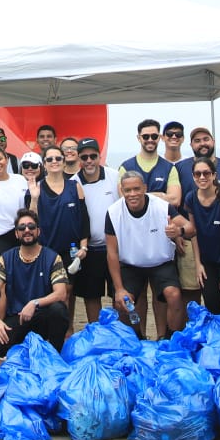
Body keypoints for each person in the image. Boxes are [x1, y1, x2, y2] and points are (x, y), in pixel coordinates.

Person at [105, 172, 185, 340]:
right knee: (122, 301)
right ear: (122, 190)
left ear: (145, 189)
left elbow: (191, 227)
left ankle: (171, 339)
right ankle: (136, 338)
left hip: (160, 262)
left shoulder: (162, 206)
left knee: (174, 295)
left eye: (136, 189)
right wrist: (119, 289)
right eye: (128, 190)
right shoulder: (113, 212)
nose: (132, 194)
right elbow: (112, 253)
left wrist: (179, 231)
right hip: (131, 264)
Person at [0, 208, 70, 355]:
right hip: (18, 318)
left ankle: (54, 353)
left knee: (59, 310)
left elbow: (61, 293)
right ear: (16, 233)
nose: (27, 230)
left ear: (38, 231)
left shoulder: (52, 257)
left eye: (31, 227)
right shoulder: (6, 258)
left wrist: (34, 303)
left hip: (43, 317)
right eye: (22, 227)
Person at [179, 157, 220, 315]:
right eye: (197, 174)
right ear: (193, 176)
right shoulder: (190, 198)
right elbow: (193, 234)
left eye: (206, 173)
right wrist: (198, 264)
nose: (202, 177)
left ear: (214, 175)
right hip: (207, 258)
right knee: (211, 300)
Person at [24, 143, 89, 280]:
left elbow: (83, 220)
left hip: (71, 250)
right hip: (44, 250)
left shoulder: (75, 186)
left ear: (64, 162)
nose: (54, 161)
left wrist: (83, 247)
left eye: (58, 158)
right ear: (44, 165)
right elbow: (29, 222)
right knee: (48, 290)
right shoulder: (35, 188)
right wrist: (34, 199)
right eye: (49, 159)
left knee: (68, 292)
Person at [74, 138, 120, 322]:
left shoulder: (114, 175)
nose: (89, 161)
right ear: (79, 159)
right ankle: (96, 330)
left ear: (99, 156)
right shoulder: (73, 182)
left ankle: (121, 330)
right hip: (89, 249)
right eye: (84, 157)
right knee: (91, 295)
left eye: (93, 156)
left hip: (115, 248)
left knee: (118, 293)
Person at [118, 119, 182, 206]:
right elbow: (124, 200)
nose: (150, 140)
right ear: (139, 138)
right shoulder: (125, 168)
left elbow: (175, 200)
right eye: (145, 136)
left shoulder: (169, 168)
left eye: (154, 136)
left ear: (159, 137)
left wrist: (139, 196)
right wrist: (161, 195)